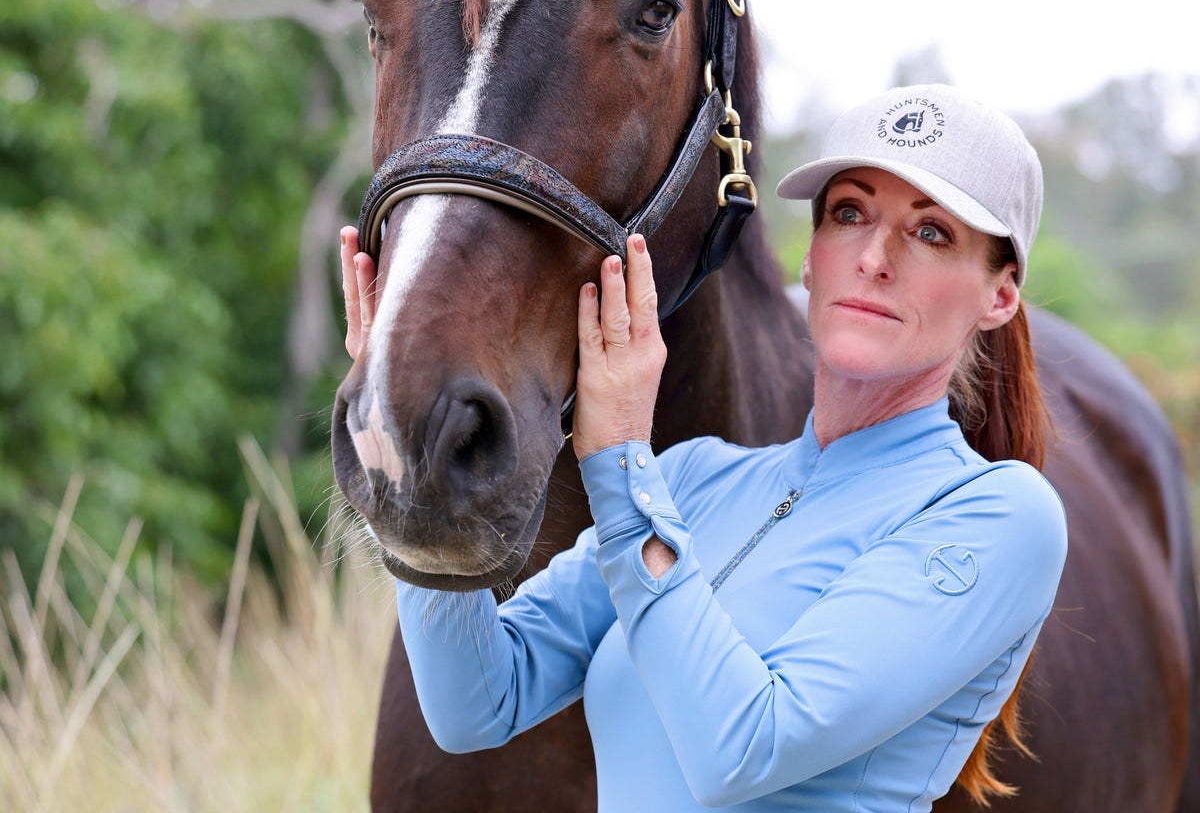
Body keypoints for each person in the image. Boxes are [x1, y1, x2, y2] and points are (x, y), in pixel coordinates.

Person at [339, 83, 1068, 812]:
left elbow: (744, 749)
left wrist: (620, 454)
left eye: (931, 232)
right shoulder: (691, 480)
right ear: (810, 258)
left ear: (1000, 296)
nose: (875, 257)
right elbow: (474, 704)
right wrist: (407, 454)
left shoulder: (1000, 515)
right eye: (850, 214)